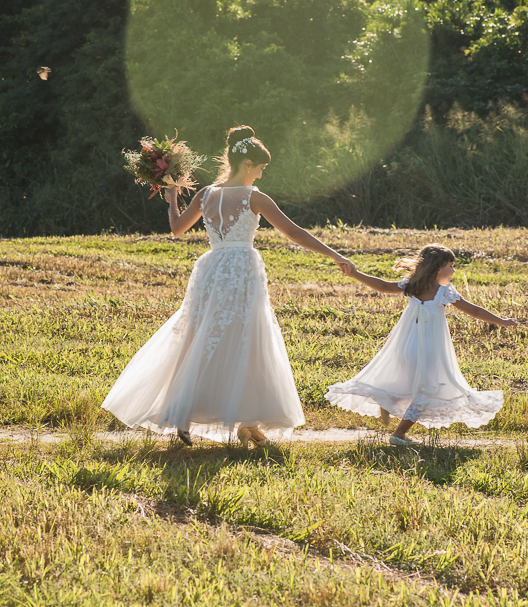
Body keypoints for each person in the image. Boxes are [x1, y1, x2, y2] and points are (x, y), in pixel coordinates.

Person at [102, 126, 354, 448]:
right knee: (244, 337)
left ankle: (201, 415)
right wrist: (334, 254)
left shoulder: (205, 194)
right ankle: (243, 419)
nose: (260, 176)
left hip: (211, 268)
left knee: (199, 333)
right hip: (241, 270)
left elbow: (177, 229)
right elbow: (294, 232)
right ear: (247, 163)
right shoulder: (254, 198)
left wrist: (172, 199)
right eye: (260, 168)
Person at [327, 243, 517, 446]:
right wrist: (502, 321)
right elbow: (475, 311)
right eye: (451, 266)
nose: (454, 271)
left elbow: (382, 285)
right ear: (438, 267)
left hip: (407, 346)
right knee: (426, 392)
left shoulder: (412, 284)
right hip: (428, 349)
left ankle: (387, 404)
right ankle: (398, 435)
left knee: (413, 385)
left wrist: (355, 274)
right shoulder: (443, 291)